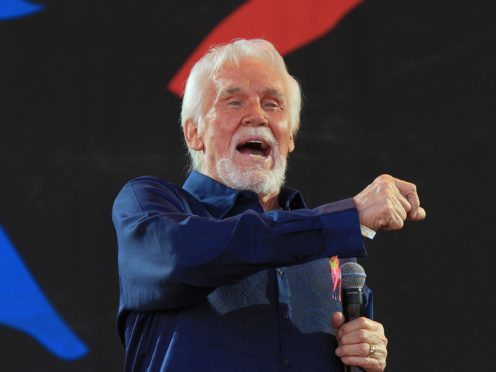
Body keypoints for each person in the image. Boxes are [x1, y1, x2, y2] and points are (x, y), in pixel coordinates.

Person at [112, 39, 426, 372]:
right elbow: (183, 256)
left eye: (273, 104)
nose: (257, 116)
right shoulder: (149, 206)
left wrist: (367, 355)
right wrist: (348, 217)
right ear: (194, 133)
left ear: (289, 137)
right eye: (234, 102)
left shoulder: (333, 257)